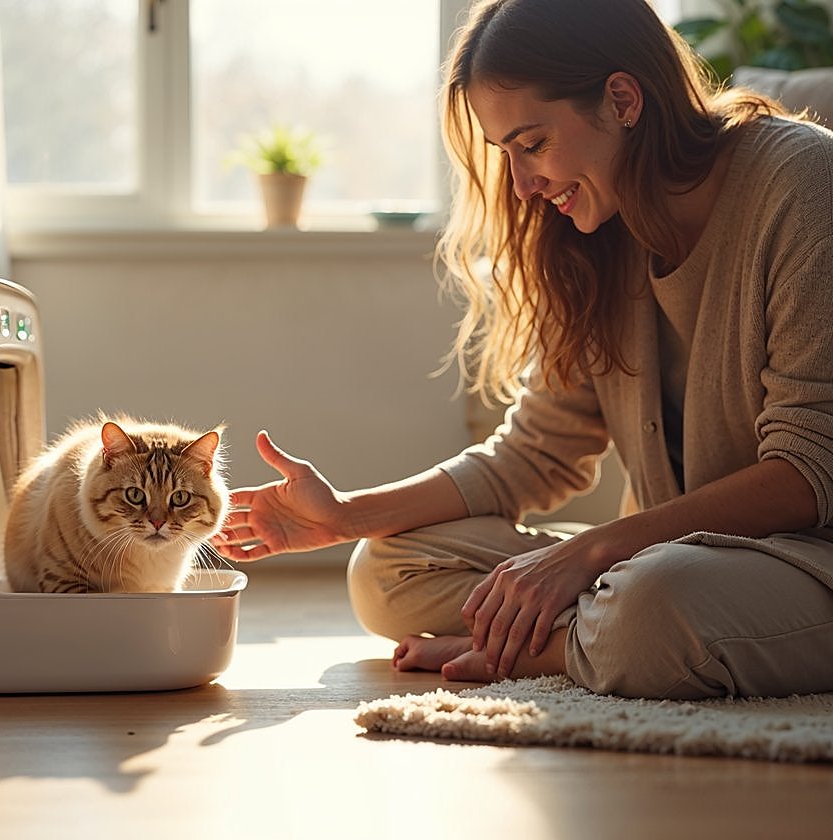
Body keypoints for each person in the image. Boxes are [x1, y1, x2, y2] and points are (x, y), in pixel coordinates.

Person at [211, 0, 833, 700]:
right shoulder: (600, 236)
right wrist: (347, 513)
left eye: (532, 144)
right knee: (384, 571)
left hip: (805, 566)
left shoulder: (803, 183)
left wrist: (592, 551)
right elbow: (535, 453)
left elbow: (808, 473)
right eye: (504, 152)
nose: (521, 185)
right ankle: (587, 634)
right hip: (667, 563)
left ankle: (556, 646)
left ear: (622, 99)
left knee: (654, 605)